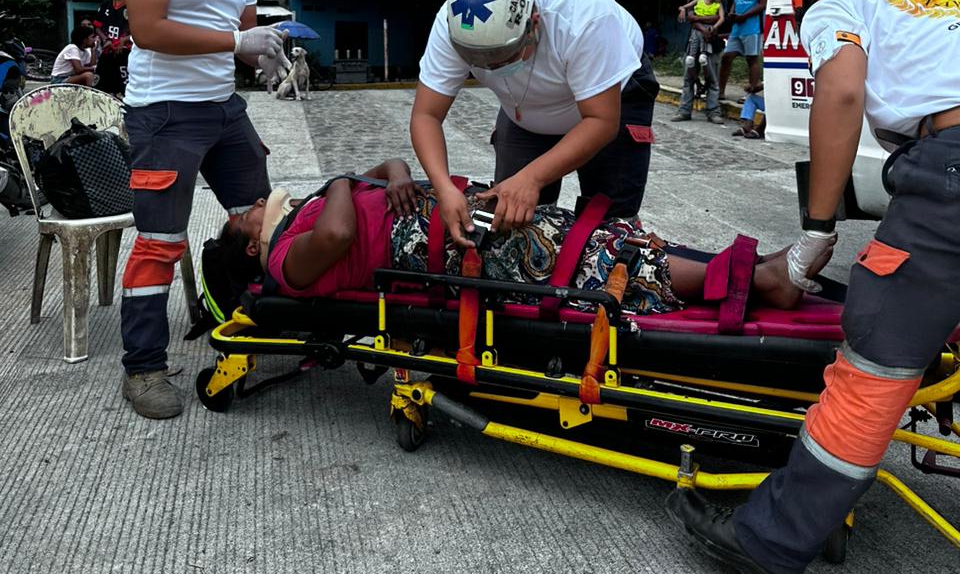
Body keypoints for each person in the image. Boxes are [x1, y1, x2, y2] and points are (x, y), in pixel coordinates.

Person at [667, 0, 960, 574]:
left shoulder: (844, 4)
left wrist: (815, 233)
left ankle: (770, 542)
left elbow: (843, 93)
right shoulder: (940, 2)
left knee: (876, 363)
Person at [119, 0, 285, 420]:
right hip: (164, 113)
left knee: (266, 224)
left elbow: (239, 41)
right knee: (161, 241)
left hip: (222, 109)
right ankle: (142, 368)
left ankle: (242, 319)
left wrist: (264, 57)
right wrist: (239, 39)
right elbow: (149, 29)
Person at [204, 165, 810, 319]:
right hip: (437, 247)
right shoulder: (286, 261)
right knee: (587, 262)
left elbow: (388, 165)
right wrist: (338, 182)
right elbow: (339, 233)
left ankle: (749, 271)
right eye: (242, 220)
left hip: (453, 216)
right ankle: (758, 280)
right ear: (253, 248)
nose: (252, 206)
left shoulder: (303, 212)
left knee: (588, 235)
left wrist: (391, 178)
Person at [410, 0, 659, 249]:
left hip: (614, 93)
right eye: (478, 63)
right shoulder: (458, 22)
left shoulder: (585, 15)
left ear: (534, 25)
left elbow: (602, 121)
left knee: (611, 224)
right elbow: (426, 115)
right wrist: (444, 188)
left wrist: (532, 177)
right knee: (509, 217)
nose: (490, 70)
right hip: (524, 111)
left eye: (502, 59)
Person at [672, 0, 725, 124]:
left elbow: (719, 17)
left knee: (713, 79)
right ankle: (684, 111)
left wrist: (700, 19)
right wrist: (705, 28)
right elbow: (691, 18)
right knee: (688, 78)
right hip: (694, 42)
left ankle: (713, 112)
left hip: (713, 44)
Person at [718, 0, 768, 100]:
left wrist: (744, 16)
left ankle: (751, 93)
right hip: (737, 27)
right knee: (726, 57)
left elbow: (762, 4)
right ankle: (720, 92)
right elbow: (736, 0)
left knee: (751, 59)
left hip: (753, 27)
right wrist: (732, 13)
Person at [95, 0, 131, 97]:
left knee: (125, 92)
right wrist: (105, 40)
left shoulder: (133, 5)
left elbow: (141, 28)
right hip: (107, 53)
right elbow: (98, 27)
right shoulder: (105, 6)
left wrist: (125, 39)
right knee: (100, 92)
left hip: (126, 55)